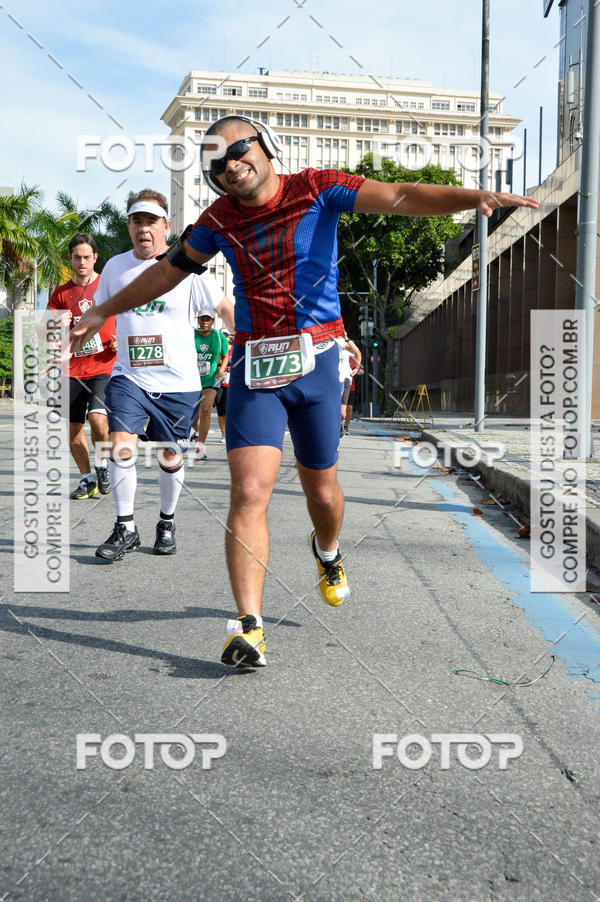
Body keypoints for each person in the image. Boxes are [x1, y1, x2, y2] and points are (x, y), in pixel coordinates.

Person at [70, 116, 540, 665]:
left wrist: (469, 196)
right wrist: (102, 307)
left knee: (323, 494)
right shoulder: (218, 220)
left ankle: (328, 550)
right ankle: (248, 626)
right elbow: (168, 271)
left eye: (237, 149)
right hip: (253, 366)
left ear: (266, 146)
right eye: (214, 163)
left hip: (316, 362)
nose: (228, 165)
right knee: (248, 494)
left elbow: (398, 196)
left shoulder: (316, 187)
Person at [90, 189, 233, 562]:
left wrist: (249, 344)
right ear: (129, 226)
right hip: (130, 377)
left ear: (166, 226)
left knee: (171, 457)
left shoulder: (189, 268)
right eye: (137, 221)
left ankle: (166, 522)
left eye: (151, 221)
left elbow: (224, 308)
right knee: (120, 442)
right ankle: (125, 526)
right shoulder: (115, 268)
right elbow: (100, 314)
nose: (143, 229)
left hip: (179, 383)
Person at [47, 233, 117, 499]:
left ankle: (102, 466)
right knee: (73, 428)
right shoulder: (60, 294)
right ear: (70, 258)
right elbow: (52, 332)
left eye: (87, 257)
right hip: (71, 370)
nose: (82, 262)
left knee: (97, 419)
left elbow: (128, 317)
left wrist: (120, 341)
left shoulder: (108, 286)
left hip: (104, 366)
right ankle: (87, 479)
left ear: (95, 257)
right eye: (77, 257)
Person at [192, 311, 230, 459]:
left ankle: (200, 447)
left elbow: (226, 356)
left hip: (211, 380)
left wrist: (220, 370)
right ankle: (197, 430)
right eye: (202, 319)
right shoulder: (191, 334)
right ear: (198, 320)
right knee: (191, 416)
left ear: (213, 321)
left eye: (208, 319)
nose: (205, 322)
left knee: (206, 408)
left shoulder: (219, 337)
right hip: (192, 379)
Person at [338, 333, 361, 437]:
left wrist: (357, 368)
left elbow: (357, 353)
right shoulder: (328, 342)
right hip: (331, 379)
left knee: (343, 412)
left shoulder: (346, 344)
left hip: (345, 379)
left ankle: (341, 425)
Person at [215, 333, 233, 442]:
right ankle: (224, 434)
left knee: (227, 411)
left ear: (229, 338)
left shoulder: (234, 350)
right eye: (222, 335)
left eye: (226, 335)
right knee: (220, 411)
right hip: (218, 384)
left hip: (230, 384)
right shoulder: (216, 350)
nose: (224, 338)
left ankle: (229, 433)